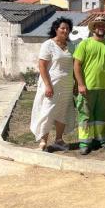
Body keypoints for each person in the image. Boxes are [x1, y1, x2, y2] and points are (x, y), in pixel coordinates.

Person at [73, 16, 105, 155]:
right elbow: (77, 65)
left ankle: (100, 139)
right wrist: (80, 84)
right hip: (87, 88)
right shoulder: (84, 44)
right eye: (98, 25)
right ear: (94, 28)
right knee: (85, 116)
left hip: (104, 88)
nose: (101, 27)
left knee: (101, 116)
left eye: (103, 26)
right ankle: (84, 142)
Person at [30, 17, 76, 152]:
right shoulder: (48, 45)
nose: (65, 30)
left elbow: (74, 66)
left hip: (66, 85)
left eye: (67, 28)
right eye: (62, 28)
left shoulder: (71, 46)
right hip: (51, 85)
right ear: (56, 29)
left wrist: (75, 83)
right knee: (47, 111)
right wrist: (48, 85)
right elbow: (42, 66)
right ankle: (43, 142)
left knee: (62, 112)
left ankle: (59, 140)